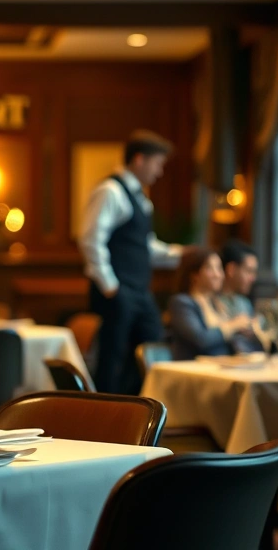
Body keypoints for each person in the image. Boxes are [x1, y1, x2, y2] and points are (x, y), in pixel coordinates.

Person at [79, 129, 184, 394]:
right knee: (112, 358)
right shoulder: (110, 191)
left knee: (152, 347)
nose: (159, 171)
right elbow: (91, 238)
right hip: (118, 291)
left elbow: (143, 245)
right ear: (139, 159)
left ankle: (138, 411)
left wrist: (180, 255)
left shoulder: (140, 197)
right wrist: (110, 286)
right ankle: (103, 418)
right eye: (157, 163)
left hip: (138, 290)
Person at [168, 249, 254, 362]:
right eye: (210, 268)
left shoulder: (218, 304)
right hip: (192, 371)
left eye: (219, 268)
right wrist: (233, 325)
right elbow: (201, 339)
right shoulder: (182, 303)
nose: (218, 275)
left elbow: (229, 341)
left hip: (221, 368)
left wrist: (245, 331)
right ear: (194, 274)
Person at [216, 240, 259, 318]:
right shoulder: (212, 302)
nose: (253, 278)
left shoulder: (245, 303)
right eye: (249, 271)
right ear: (231, 269)